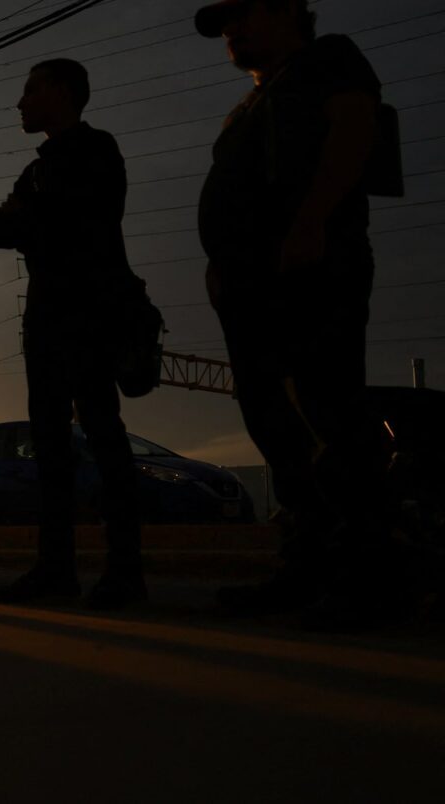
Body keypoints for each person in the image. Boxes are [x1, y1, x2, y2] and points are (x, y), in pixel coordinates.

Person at [193, 0, 391, 624]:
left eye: (241, 15)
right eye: (224, 22)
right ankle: (305, 568)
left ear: (286, 11)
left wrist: (312, 220)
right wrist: (220, 266)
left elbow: (355, 127)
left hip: (310, 268)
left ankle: (368, 578)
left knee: (329, 412)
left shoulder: (328, 59)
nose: (230, 29)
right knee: (277, 428)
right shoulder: (247, 107)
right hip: (251, 291)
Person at [0, 59, 148, 609]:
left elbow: (71, 222)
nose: (20, 103)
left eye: (30, 90)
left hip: (89, 311)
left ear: (60, 92)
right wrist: (34, 217)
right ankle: (56, 569)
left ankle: (125, 573)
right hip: (48, 316)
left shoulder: (96, 150)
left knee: (102, 436)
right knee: (51, 445)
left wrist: (32, 219)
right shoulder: (38, 170)